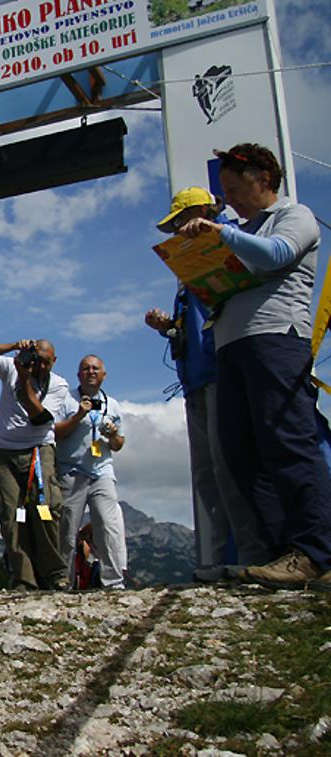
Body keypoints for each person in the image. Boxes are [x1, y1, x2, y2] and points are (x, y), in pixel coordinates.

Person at [174, 143, 331, 589]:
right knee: (242, 453)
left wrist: (221, 234)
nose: (230, 200)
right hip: (231, 348)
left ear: (263, 178)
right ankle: (283, 552)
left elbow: (277, 255)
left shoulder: (294, 216)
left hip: (277, 340)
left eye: (234, 189)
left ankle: (318, 550)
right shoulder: (243, 228)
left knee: (289, 442)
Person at [146, 187, 272, 581]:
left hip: (220, 373)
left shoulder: (230, 245)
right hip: (193, 379)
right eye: (174, 224)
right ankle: (218, 561)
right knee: (205, 473)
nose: (178, 229)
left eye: (181, 220)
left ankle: (254, 556)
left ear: (203, 211)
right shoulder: (189, 269)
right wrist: (170, 328)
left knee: (227, 466)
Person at [0, 339, 70, 590]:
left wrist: (25, 381)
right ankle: (24, 578)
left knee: (45, 509)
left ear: (54, 361)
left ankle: (55, 573)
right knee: (12, 514)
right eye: (37, 360)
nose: (41, 367)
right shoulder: (13, 367)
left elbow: (40, 418)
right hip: (5, 453)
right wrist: (14, 346)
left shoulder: (58, 385)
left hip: (39, 450)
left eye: (47, 362)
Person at [54, 355, 128, 589]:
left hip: (102, 472)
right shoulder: (66, 400)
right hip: (71, 471)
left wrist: (113, 435)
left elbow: (118, 444)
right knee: (67, 530)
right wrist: (78, 416)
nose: (91, 372)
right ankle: (63, 581)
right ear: (78, 375)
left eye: (96, 368)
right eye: (85, 368)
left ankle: (114, 582)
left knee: (108, 525)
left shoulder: (113, 405)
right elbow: (55, 433)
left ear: (104, 375)